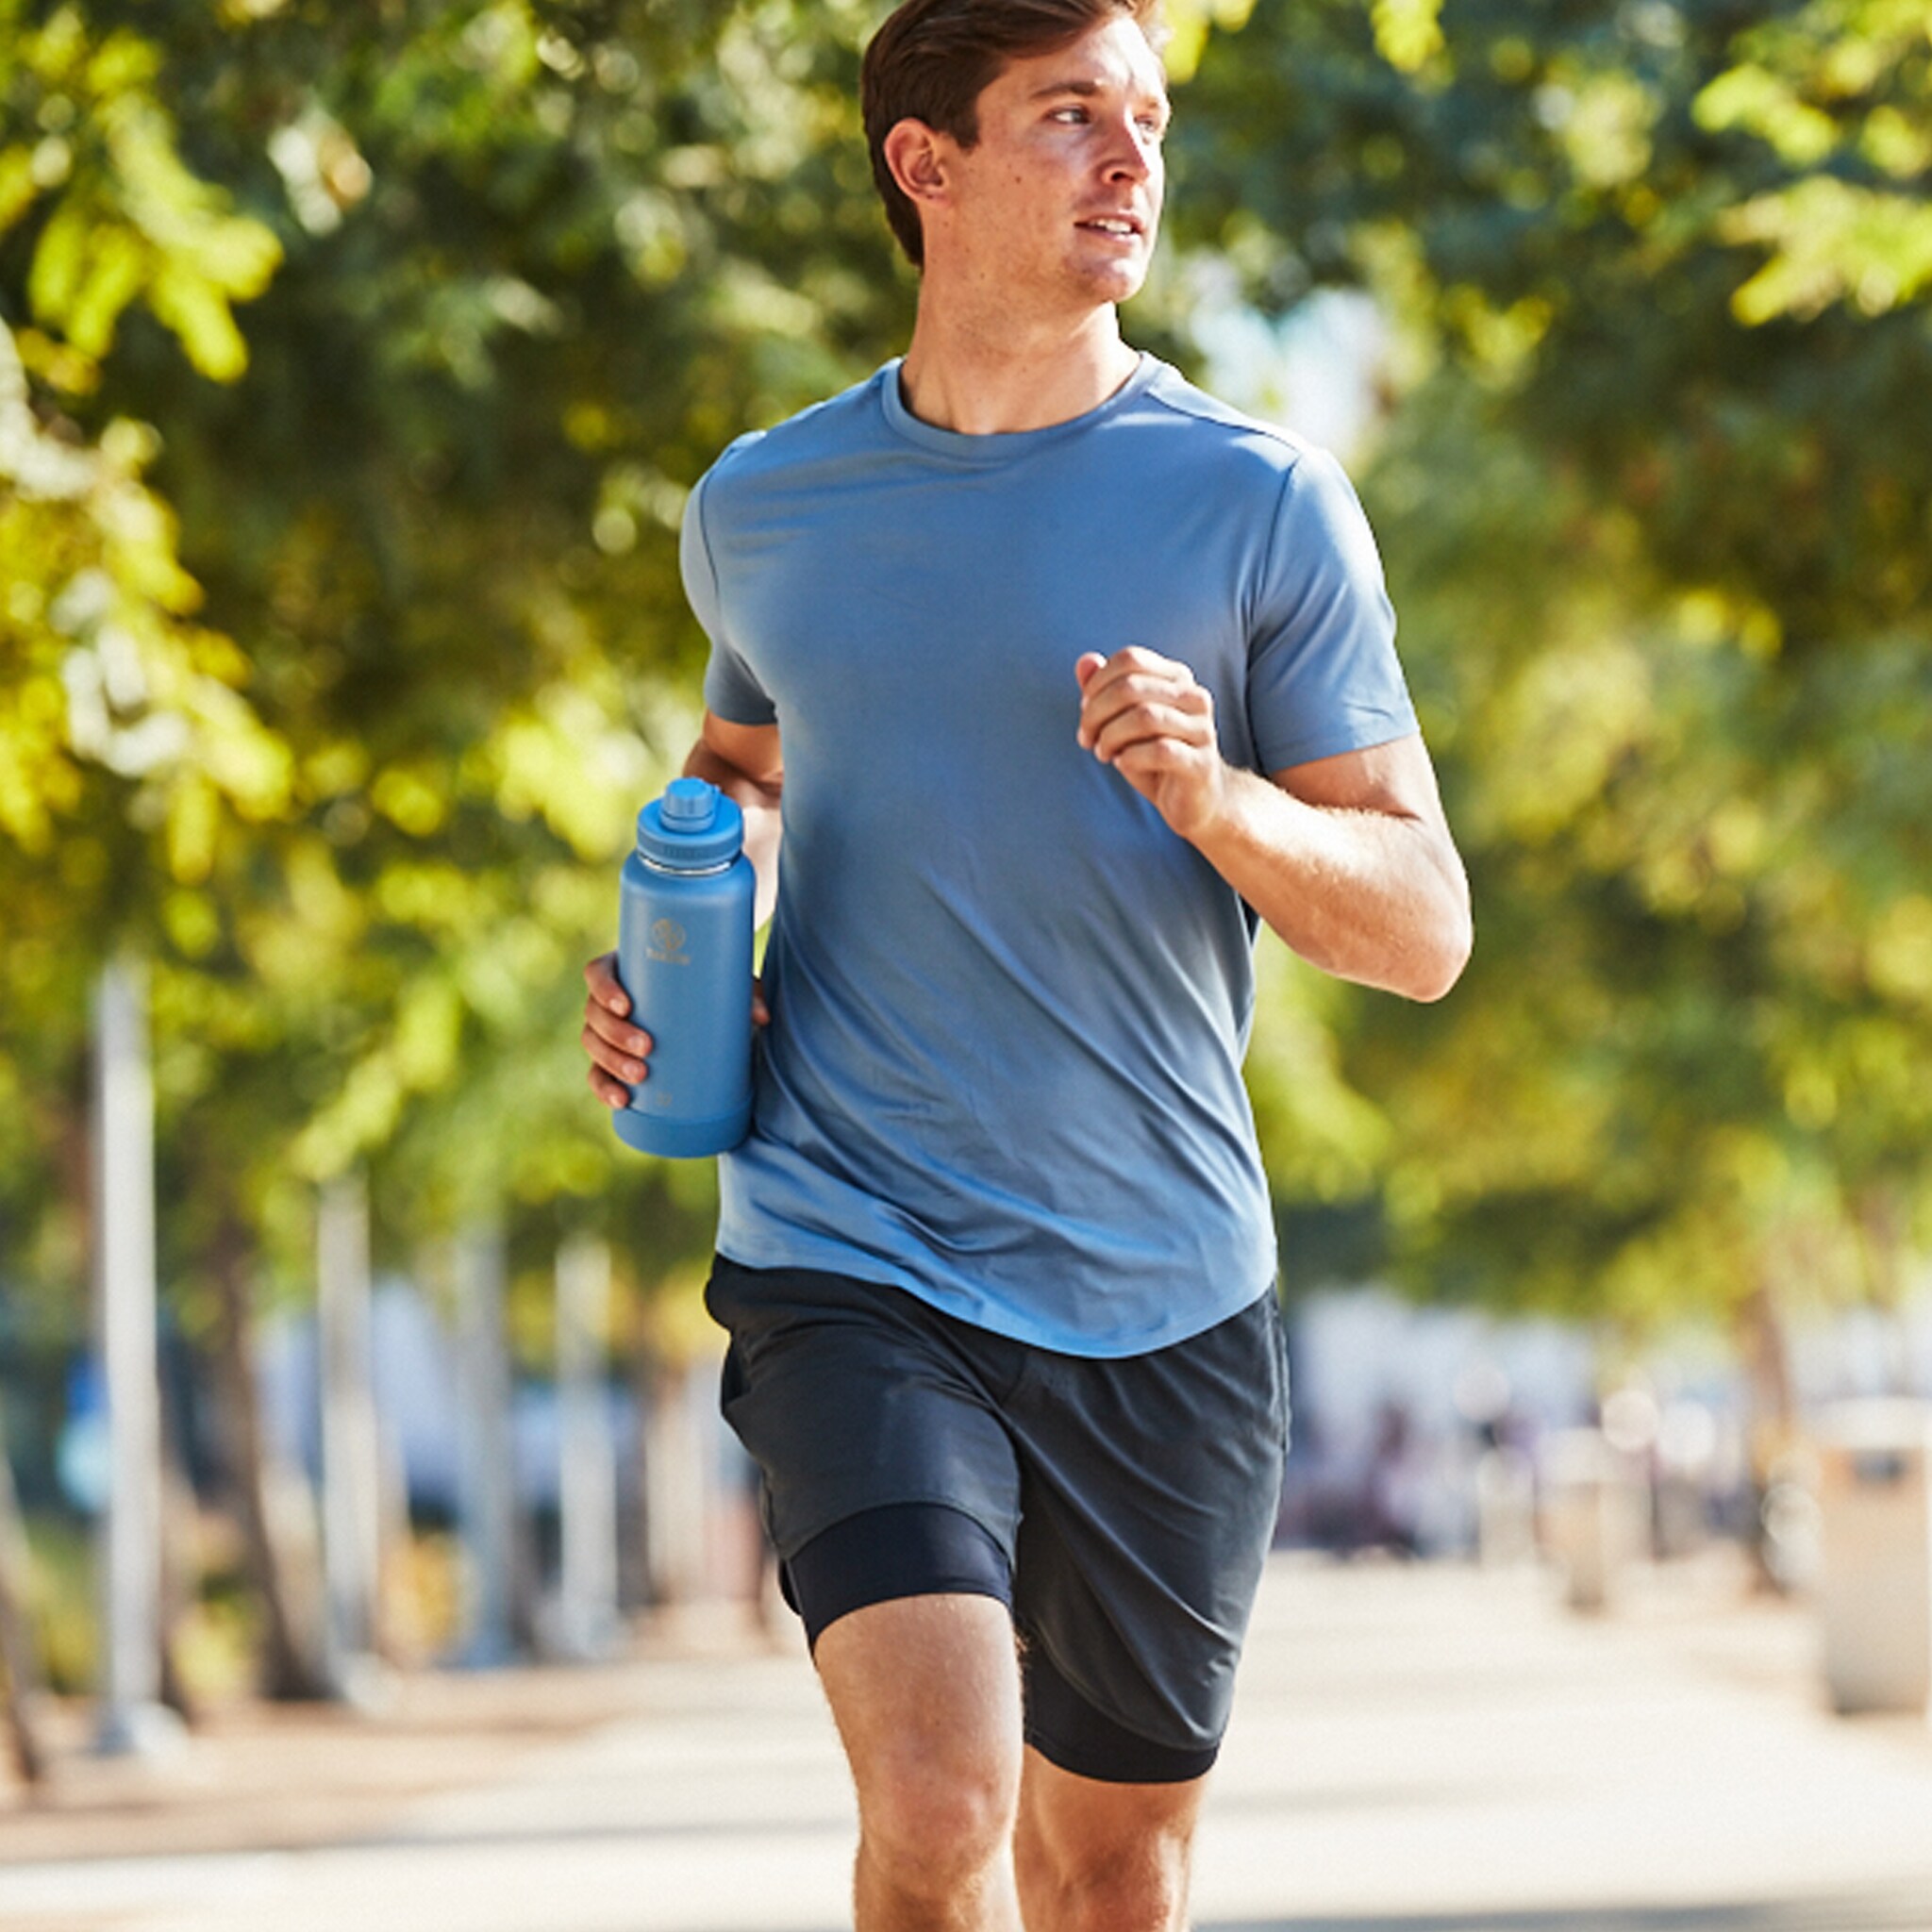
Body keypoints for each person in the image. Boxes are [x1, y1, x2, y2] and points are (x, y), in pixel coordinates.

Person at [581, 2, 1472, 1924]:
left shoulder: (1258, 502)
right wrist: (677, 957)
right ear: (929, 165)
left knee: (1114, 1871)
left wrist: (1218, 802)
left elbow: (1420, 925)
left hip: (1162, 1276)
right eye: (1071, 117)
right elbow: (736, 769)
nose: (1132, 160)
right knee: (932, 1796)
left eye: (1145, 117)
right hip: (849, 1243)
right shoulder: (763, 510)